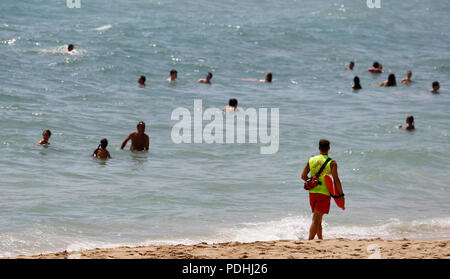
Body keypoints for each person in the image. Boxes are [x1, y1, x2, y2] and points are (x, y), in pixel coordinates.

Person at [301, 139, 345, 240]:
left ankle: (320, 239)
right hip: (324, 193)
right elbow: (336, 180)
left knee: (318, 217)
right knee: (316, 218)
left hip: (312, 192)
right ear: (329, 148)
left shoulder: (311, 160)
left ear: (319, 148)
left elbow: (303, 176)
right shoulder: (332, 163)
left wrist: (312, 181)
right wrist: (341, 195)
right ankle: (310, 240)